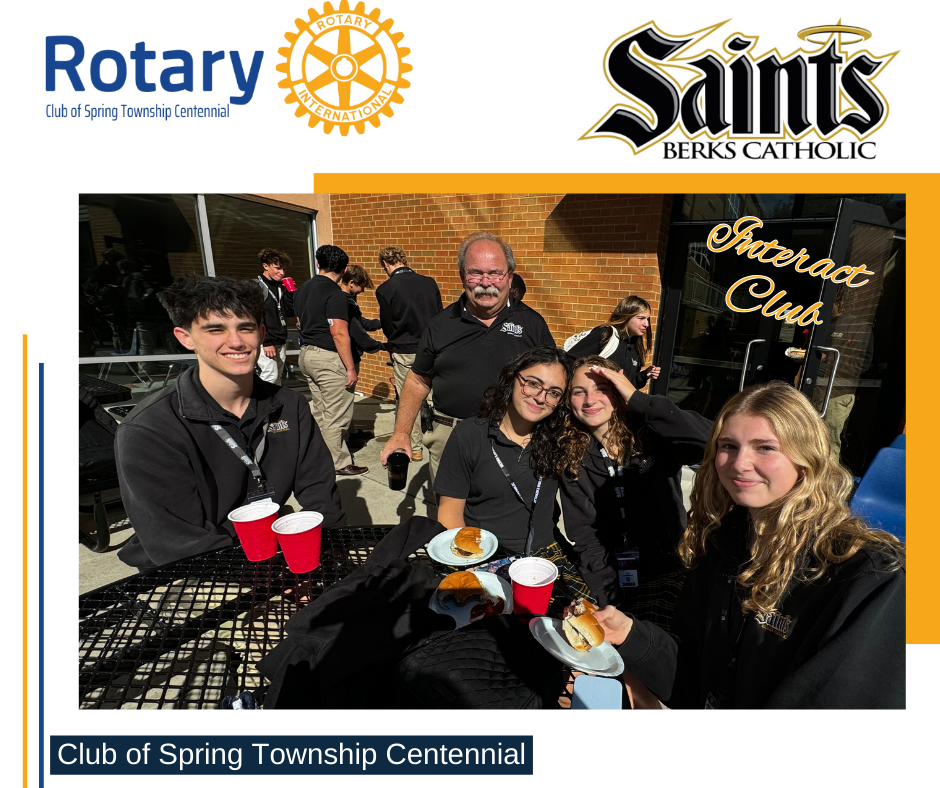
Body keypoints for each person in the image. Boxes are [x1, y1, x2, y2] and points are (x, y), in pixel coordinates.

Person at [594, 381, 905, 708]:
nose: (739, 463)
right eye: (728, 446)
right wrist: (629, 635)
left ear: (806, 457)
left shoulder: (868, 577)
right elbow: (695, 676)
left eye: (765, 447)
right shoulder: (721, 545)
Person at [115, 276, 345, 571]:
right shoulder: (150, 429)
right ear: (185, 337)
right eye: (215, 329)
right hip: (188, 567)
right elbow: (179, 543)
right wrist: (275, 581)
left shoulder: (290, 405)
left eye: (245, 328)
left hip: (266, 546)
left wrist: (327, 560)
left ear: (262, 333)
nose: (236, 341)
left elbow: (320, 492)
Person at [380, 231, 555, 488]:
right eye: (476, 273)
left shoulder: (532, 324)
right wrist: (400, 433)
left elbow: (554, 381)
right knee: (451, 521)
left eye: (495, 273)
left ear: (509, 276)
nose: (486, 282)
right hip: (450, 436)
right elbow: (418, 380)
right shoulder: (440, 325)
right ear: (463, 276)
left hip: (513, 435)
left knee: (506, 517)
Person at [558, 356, 712, 616]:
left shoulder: (652, 434)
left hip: (668, 566)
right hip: (608, 572)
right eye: (578, 392)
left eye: (602, 389)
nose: (589, 400)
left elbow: (712, 439)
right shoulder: (572, 455)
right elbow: (585, 536)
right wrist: (609, 596)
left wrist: (640, 401)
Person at [294, 245, 368, 476]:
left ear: (318, 264)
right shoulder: (335, 294)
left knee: (321, 411)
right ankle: (338, 462)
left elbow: (298, 322)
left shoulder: (302, 289)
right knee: (337, 416)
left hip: (306, 355)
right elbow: (339, 333)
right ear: (344, 269)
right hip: (328, 359)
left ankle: (319, 456)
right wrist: (349, 368)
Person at [375, 245, 443, 461]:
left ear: (386, 264)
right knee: (436, 398)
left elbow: (387, 327)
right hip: (433, 347)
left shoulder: (385, 289)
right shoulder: (429, 283)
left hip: (405, 350)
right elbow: (440, 316)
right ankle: (441, 440)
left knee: (408, 399)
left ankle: (414, 448)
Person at [565, 295, 661, 388]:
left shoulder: (635, 347)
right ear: (627, 316)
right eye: (641, 318)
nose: (646, 324)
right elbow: (569, 361)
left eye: (647, 319)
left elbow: (627, 385)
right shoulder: (605, 334)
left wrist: (644, 375)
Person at [255, 247, 295, 385]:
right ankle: (262, 405)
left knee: (277, 377)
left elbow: (289, 312)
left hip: (280, 338)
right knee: (270, 375)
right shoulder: (258, 286)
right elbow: (257, 316)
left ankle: (274, 404)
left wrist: (290, 294)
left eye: (284, 269)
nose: (282, 273)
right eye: (277, 268)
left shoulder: (279, 286)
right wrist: (266, 342)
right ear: (265, 266)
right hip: (266, 340)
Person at [339, 264, 385, 370]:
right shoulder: (344, 302)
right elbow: (358, 333)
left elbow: (358, 321)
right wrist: (382, 346)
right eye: (362, 286)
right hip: (347, 360)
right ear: (352, 283)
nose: (363, 290)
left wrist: (380, 323)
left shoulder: (349, 299)